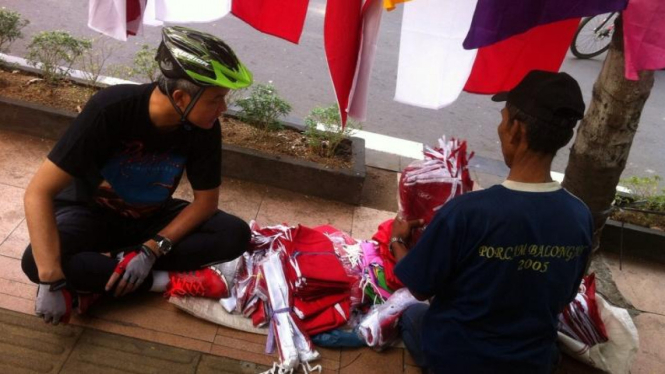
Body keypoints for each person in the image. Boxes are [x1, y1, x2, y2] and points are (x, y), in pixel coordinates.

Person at [21, 26, 253, 325]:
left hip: (151, 218)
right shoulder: (110, 109)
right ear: (181, 97)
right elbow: (38, 193)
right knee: (35, 263)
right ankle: (163, 283)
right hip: (91, 212)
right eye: (215, 100)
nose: (222, 109)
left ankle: (105, 274)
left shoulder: (203, 127)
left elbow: (205, 202)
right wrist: (51, 279)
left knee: (235, 234)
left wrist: (151, 250)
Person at [390, 70, 593, 373]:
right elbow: (564, 298)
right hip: (530, 362)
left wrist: (397, 240)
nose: (500, 127)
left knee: (412, 316)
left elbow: (419, 287)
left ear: (516, 130)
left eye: (503, 118)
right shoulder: (580, 217)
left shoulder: (466, 213)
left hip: (460, 359)